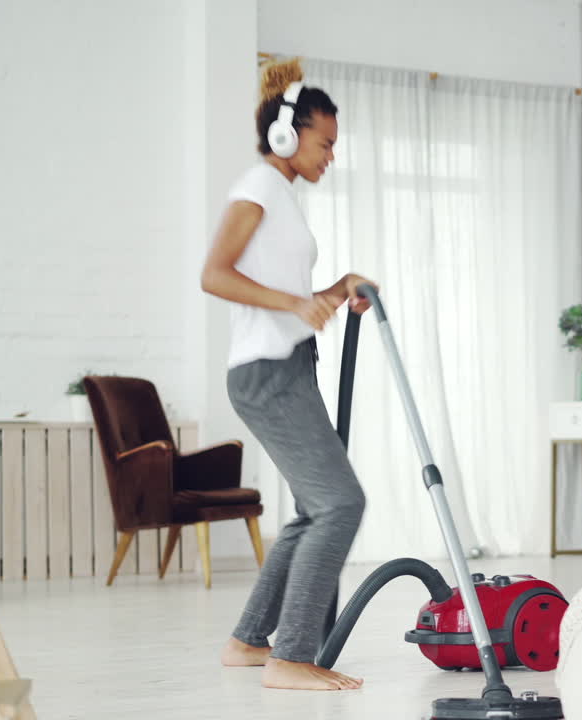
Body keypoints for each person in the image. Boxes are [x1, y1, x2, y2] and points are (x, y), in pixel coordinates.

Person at [200, 57, 374, 691]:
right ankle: (291, 656)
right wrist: (297, 303)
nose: (330, 155)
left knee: (311, 509)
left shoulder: (281, 197)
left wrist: (334, 288)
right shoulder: (258, 186)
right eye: (325, 142)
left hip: (290, 365)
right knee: (341, 503)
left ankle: (249, 640)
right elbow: (213, 274)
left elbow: (291, 300)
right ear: (287, 134)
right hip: (266, 374)